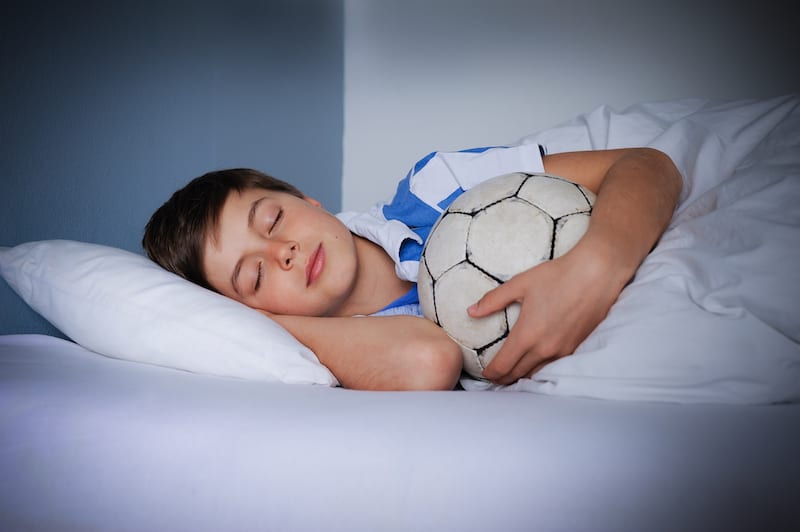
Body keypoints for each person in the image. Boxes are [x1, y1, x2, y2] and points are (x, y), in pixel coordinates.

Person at [142, 144, 682, 391]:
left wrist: (595, 266)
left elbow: (645, 165)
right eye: (255, 277)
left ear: (308, 200)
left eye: (274, 219)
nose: (281, 252)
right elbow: (428, 361)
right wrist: (261, 323)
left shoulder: (434, 186)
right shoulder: (348, 350)